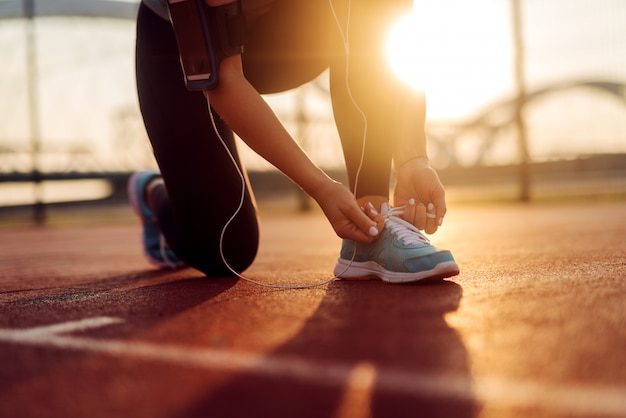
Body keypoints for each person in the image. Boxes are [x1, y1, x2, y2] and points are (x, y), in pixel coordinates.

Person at [128, 0, 459, 283]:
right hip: (180, 56)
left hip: (286, 39)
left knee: (365, 10)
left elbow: (394, 35)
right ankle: (153, 194)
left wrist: (413, 158)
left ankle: (370, 225)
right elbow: (224, 79)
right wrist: (321, 187)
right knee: (227, 248)